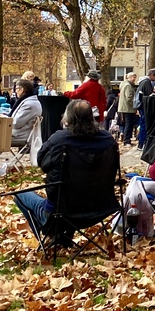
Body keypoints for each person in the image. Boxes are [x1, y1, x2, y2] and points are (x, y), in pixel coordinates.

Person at [13, 100, 119, 248]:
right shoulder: (108, 140)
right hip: (100, 206)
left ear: (68, 118)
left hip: (61, 210)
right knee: (71, 190)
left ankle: (52, 236)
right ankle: (60, 238)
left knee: (19, 195)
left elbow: (42, 162)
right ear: (91, 117)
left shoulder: (59, 139)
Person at [8, 79, 42, 146]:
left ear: (22, 90)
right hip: (20, 133)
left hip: (20, 135)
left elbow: (16, 124)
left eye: (16, 88)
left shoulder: (28, 105)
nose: (15, 91)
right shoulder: (29, 101)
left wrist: (5, 120)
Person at [135, 68, 155, 149]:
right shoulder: (147, 82)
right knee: (144, 125)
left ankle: (140, 142)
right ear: (153, 75)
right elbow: (149, 96)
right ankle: (142, 143)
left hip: (141, 106)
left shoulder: (142, 82)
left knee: (142, 124)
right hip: (144, 107)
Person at [118, 72, 138, 147]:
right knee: (128, 125)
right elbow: (129, 98)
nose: (134, 79)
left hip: (125, 108)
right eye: (133, 77)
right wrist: (135, 106)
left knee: (128, 125)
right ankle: (127, 141)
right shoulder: (128, 86)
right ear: (129, 77)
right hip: (128, 109)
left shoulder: (125, 85)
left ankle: (127, 140)